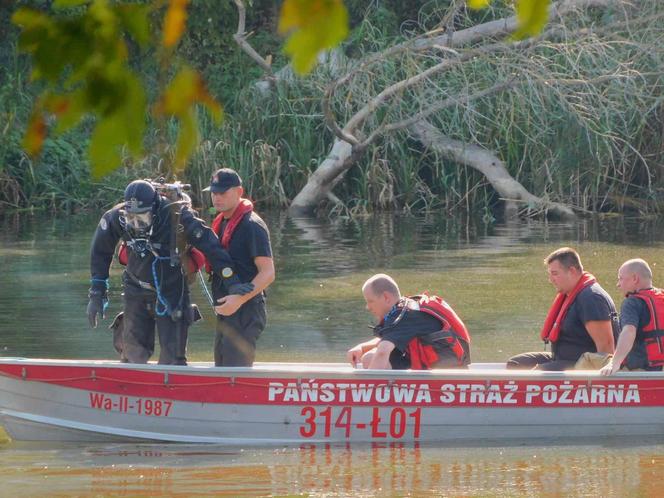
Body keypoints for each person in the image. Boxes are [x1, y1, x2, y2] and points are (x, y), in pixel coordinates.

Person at [87, 179, 253, 365]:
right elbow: (100, 252)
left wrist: (233, 282)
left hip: (172, 291)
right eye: (131, 218)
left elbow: (212, 246)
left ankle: (174, 386)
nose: (136, 225)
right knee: (133, 356)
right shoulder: (115, 217)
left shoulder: (177, 216)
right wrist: (97, 293)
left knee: (173, 359)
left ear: (155, 210)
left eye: (142, 218)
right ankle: (133, 389)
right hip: (136, 288)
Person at [204, 168, 275, 367]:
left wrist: (238, 299)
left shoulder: (252, 225)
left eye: (223, 193)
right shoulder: (221, 222)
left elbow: (268, 273)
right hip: (227, 309)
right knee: (221, 365)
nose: (217, 198)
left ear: (239, 192)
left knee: (235, 372)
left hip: (246, 310)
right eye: (214, 193)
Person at [507, 247, 619, 370]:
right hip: (562, 358)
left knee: (537, 373)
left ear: (572, 271)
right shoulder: (571, 294)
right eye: (549, 274)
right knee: (516, 364)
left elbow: (607, 349)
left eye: (555, 274)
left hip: (583, 364)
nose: (551, 280)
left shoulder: (591, 298)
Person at [346, 274, 471, 370]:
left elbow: (383, 351)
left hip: (446, 374)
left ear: (386, 297)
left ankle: (381, 397)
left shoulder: (402, 316)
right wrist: (362, 347)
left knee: (370, 359)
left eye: (370, 301)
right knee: (369, 357)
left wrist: (366, 392)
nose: (367, 307)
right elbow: (391, 338)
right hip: (445, 367)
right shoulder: (405, 308)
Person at [600, 259, 664, 375]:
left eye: (621, 278)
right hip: (660, 369)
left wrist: (614, 363)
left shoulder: (632, 302)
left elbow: (629, 331)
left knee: (586, 359)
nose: (618, 284)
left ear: (635, 279)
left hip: (641, 370)